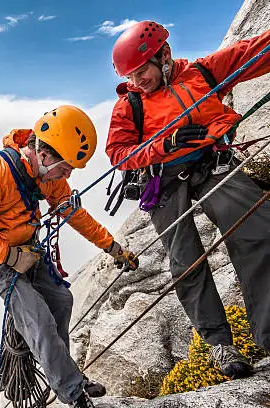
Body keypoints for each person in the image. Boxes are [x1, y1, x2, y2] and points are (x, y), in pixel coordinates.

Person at [106, 21, 270, 379]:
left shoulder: (202, 73)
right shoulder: (129, 105)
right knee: (186, 260)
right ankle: (219, 344)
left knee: (259, 228)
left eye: (142, 71)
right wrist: (165, 144)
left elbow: (253, 52)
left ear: (164, 55)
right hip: (163, 182)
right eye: (130, 75)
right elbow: (118, 154)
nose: (137, 81)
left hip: (211, 164)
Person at [0, 105, 139, 407]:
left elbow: (72, 213)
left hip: (29, 248)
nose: (68, 175)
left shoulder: (48, 174)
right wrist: (9, 257)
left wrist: (112, 247)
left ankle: (65, 372)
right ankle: (74, 393)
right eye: (66, 168)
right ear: (45, 155)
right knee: (39, 321)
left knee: (62, 302)